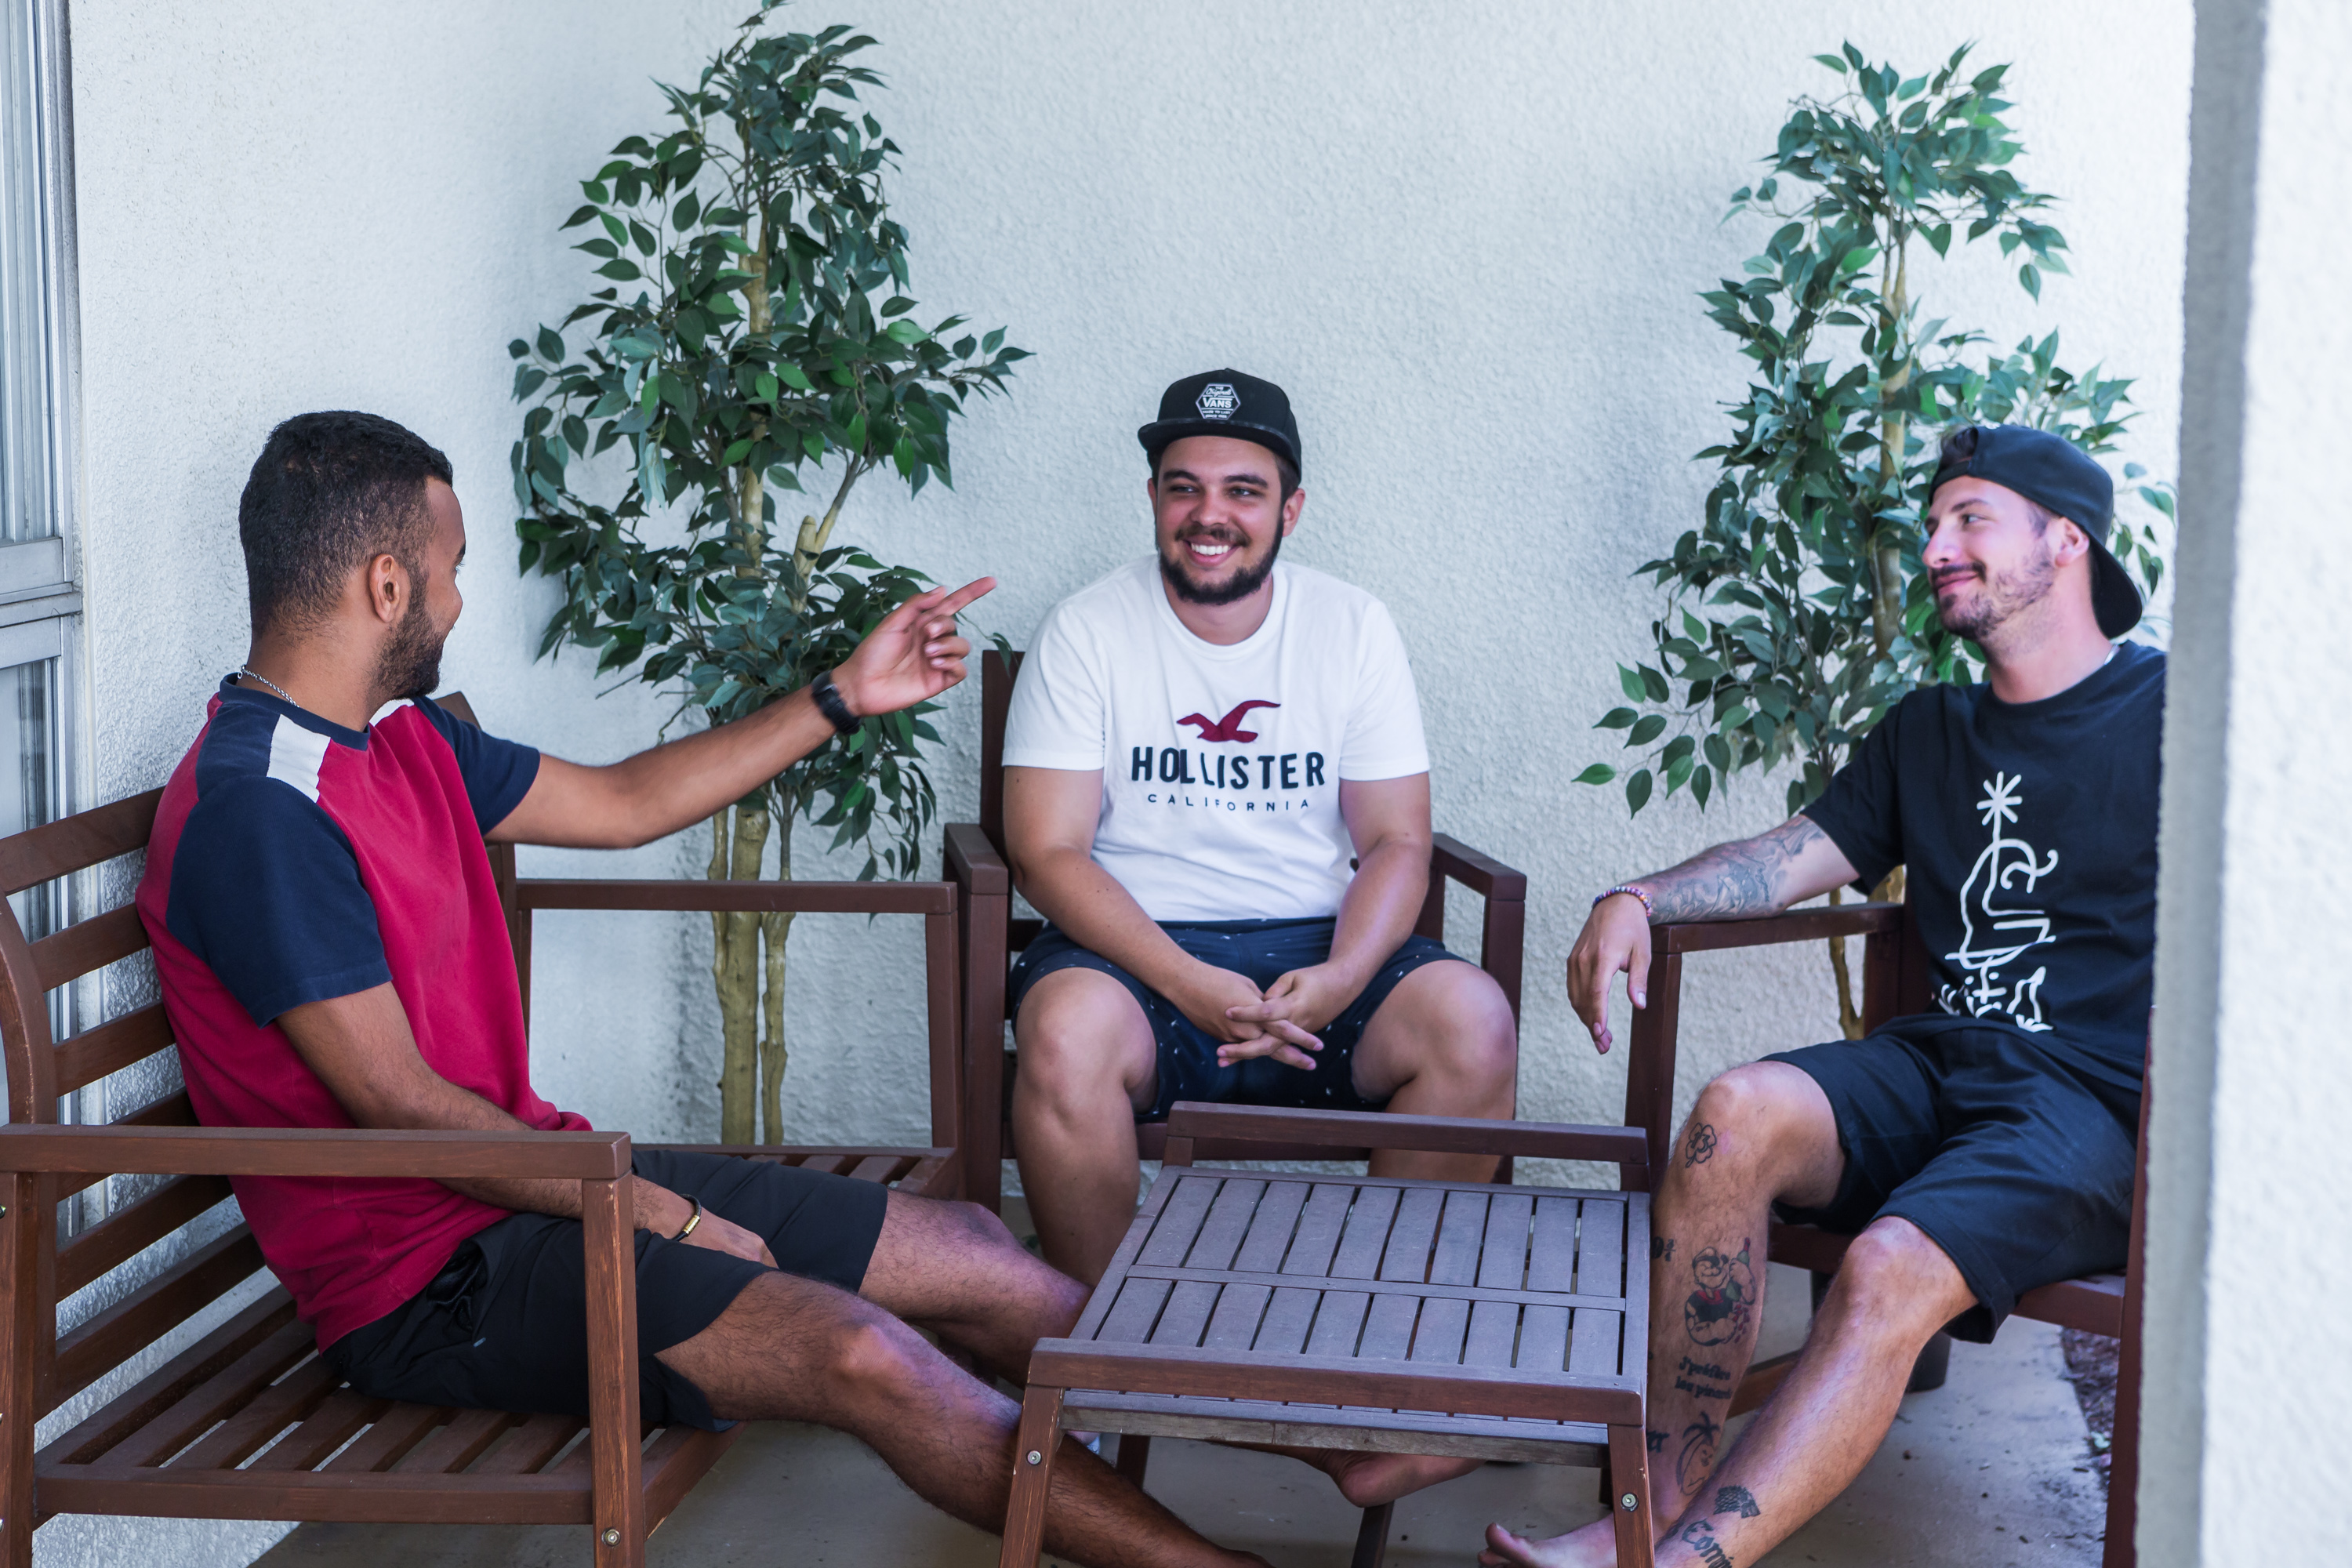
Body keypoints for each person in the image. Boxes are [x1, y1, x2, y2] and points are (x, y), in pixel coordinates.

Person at [136, 411, 1276, 1568]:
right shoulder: (260, 809)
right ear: (387, 584)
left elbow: (626, 803)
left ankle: (1365, 1437)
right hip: (427, 1283)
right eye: (450, 573)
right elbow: (400, 1107)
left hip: (536, 1186)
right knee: (865, 1354)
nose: (457, 603)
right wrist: (653, 1209)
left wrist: (839, 696)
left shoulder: (401, 742)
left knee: (982, 1256)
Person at [1479, 424, 2162, 1568]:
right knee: (1731, 1118)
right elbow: (1792, 856)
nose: (1936, 545)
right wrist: (1640, 898)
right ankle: (1645, 1518)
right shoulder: (1929, 731)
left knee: (1887, 1265)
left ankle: (1690, 1566)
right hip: (1941, 1062)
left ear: (2065, 538)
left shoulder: (2174, 717)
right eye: (1935, 522)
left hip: (2091, 1109)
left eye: (1969, 521)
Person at [1000, 369, 1519, 1506]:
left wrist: (1340, 976)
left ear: (1291, 507)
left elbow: (1395, 842)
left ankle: (1374, 1367)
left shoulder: (1351, 625)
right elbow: (1048, 853)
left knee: (1471, 1022)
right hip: (1134, 950)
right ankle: (1105, 1365)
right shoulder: (1088, 626)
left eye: (1243, 487)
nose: (1210, 512)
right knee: (1064, 1037)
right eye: (1184, 486)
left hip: (1316, 954)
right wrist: (1182, 980)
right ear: (1151, 499)